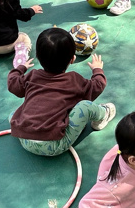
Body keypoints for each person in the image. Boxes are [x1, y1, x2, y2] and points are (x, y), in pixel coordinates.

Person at [8, 27, 117, 157]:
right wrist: (97, 70)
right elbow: (97, 86)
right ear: (72, 59)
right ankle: (104, 114)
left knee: (19, 111)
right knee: (85, 106)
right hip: (53, 145)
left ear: (38, 57)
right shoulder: (74, 80)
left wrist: (21, 68)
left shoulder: (32, 76)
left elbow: (12, 83)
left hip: (24, 138)